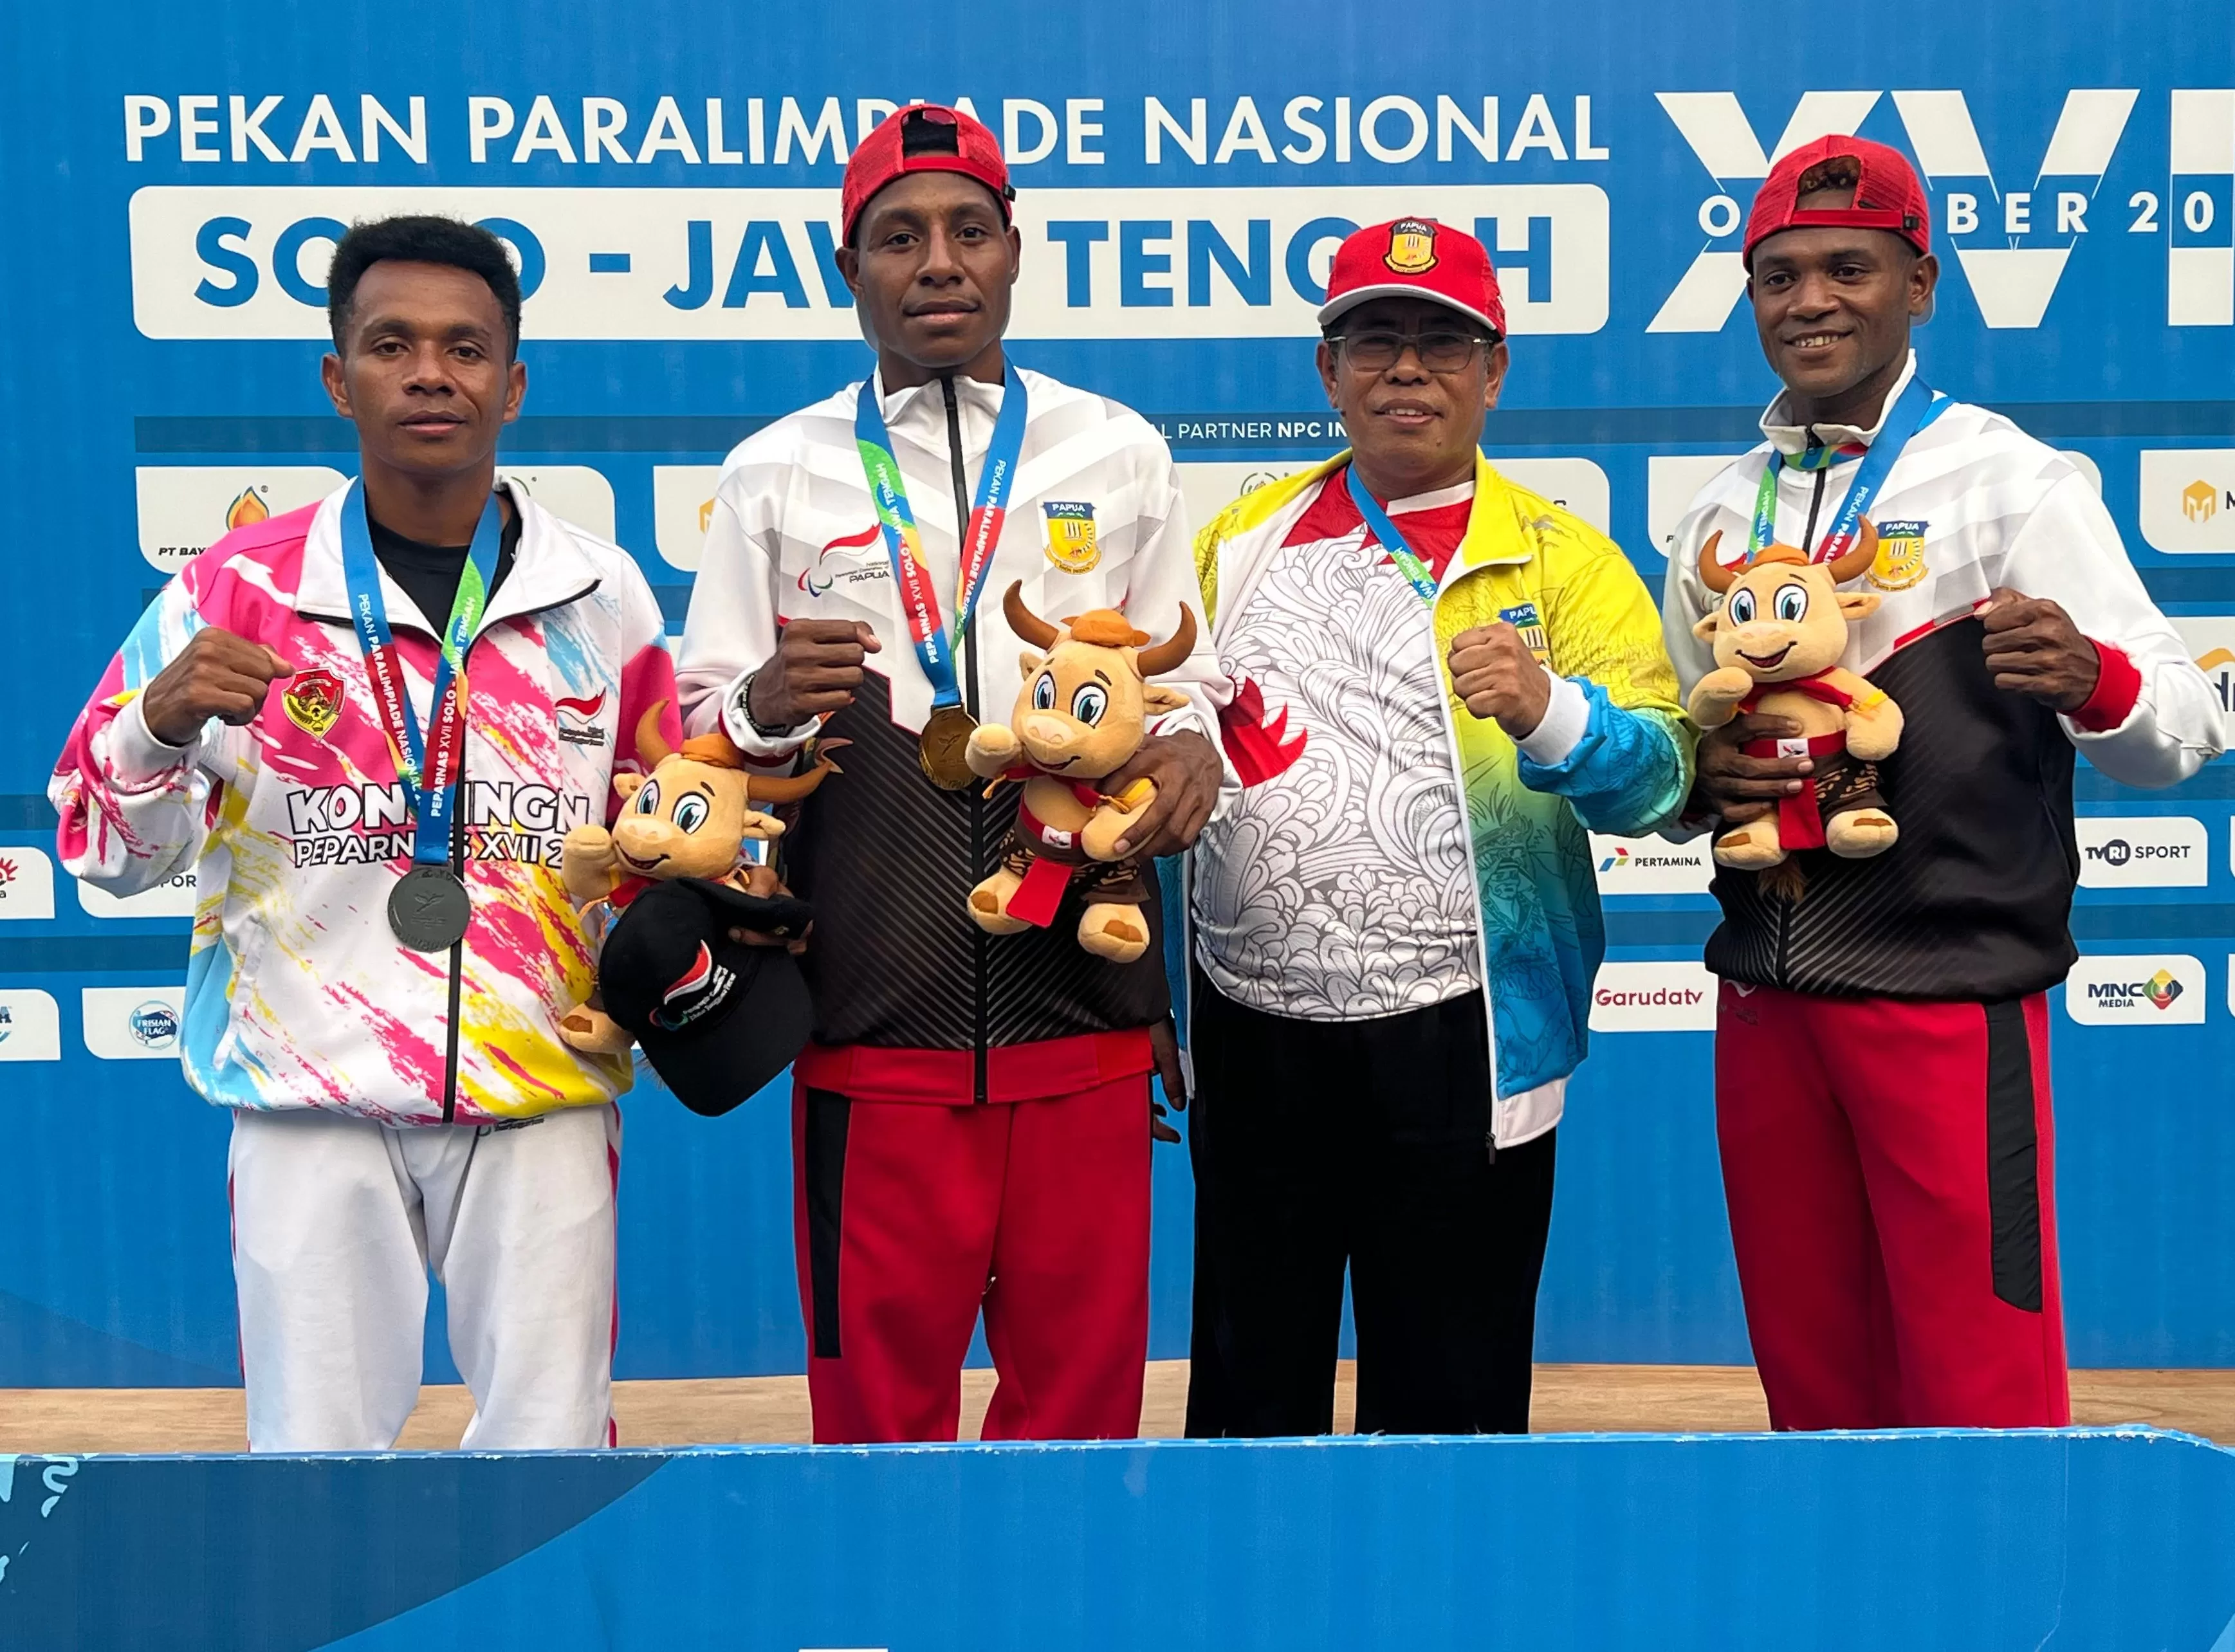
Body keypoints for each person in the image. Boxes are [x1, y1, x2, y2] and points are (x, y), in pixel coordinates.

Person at [51, 216, 679, 1451]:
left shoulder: (600, 596)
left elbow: (659, 834)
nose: (431, 373)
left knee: (547, 1458)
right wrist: (155, 730)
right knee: (314, 1463)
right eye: (392, 345)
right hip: (308, 1100)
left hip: (541, 1093)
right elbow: (100, 850)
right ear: (339, 379)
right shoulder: (236, 589)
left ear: (515, 380)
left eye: (466, 347)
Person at [675, 104, 1227, 1444]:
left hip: (1085, 1023)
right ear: (845, 264)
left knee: (1083, 1416)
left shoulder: (1119, 449)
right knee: (873, 1419)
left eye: (968, 232)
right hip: (869, 1030)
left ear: (1014, 252)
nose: (938, 263)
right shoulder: (773, 474)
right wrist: (752, 709)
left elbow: (1188, 676)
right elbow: (703, 721)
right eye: (900, 237)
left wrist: (1191, 741)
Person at [1662, 137, 2225, 1431]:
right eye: (1780, 276)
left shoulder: (2009, 480)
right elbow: (1698, 764)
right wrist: (1710, 775)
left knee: (1980, 1377)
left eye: (1849, 269)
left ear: (1920, 283)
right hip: (1763, 994)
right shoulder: (1713, 509)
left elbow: (2185, 724)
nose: (1810, 302)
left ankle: (2015, 1628)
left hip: (1945, 998)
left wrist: (2091, 676)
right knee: (1812, 1381)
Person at [1182, 219, 1694, 1436]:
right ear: (1328, 370)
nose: (1406, 369)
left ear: (1494, 369)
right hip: (1254, 1037)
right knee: (1251, 1398)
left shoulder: (1564, 560)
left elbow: (1668, 782)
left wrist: (1551, 713)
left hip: (1463, 1040)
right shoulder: (1235, 541)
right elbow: (1164, 750)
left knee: (1450, 1400)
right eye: (1374, 341)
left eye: (1440, 343)